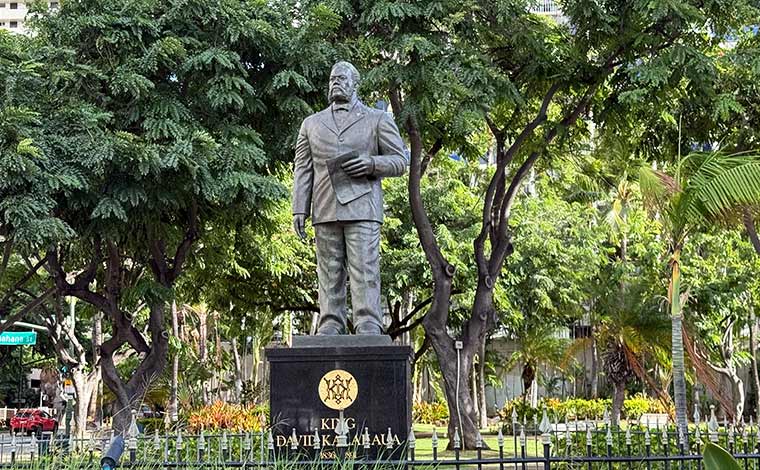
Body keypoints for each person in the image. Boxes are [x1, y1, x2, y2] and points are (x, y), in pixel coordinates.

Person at [292, 61, 407, 335]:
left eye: (342, 79)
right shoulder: (311, 124)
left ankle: (368, 321)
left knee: (364, 268)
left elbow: (400, 160)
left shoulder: (377, 119)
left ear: (356, 85)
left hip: (363, 207)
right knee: (328, 271)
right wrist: (299, 209)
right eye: (332, 79)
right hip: (325, 207)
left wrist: (371, 163)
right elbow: (303, 170)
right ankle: (331, 321)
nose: (336, 83)